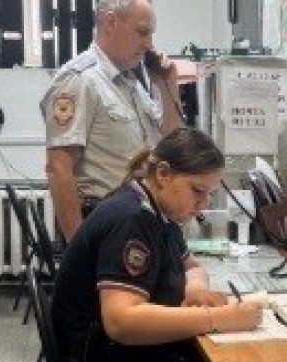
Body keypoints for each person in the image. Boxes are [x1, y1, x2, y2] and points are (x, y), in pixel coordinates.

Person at [51, 127, 262, 362]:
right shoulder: (131, 219)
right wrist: (218, 319)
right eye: (197, 190)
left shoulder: (160, 214)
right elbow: (121, 321)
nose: (202, 204)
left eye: (209, 194)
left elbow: (192, 267)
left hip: (126, 356)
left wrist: (195, 289)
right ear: (163, 174)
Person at [41, 0, 184, 241]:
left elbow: (172, 143)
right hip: (104, 223)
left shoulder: (132, 82)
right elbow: (59, 168)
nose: (149, 44)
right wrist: (80, 246)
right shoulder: (80, 80)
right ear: (110, 22)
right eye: (142, 32)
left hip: (140, 220)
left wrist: (167, 83)